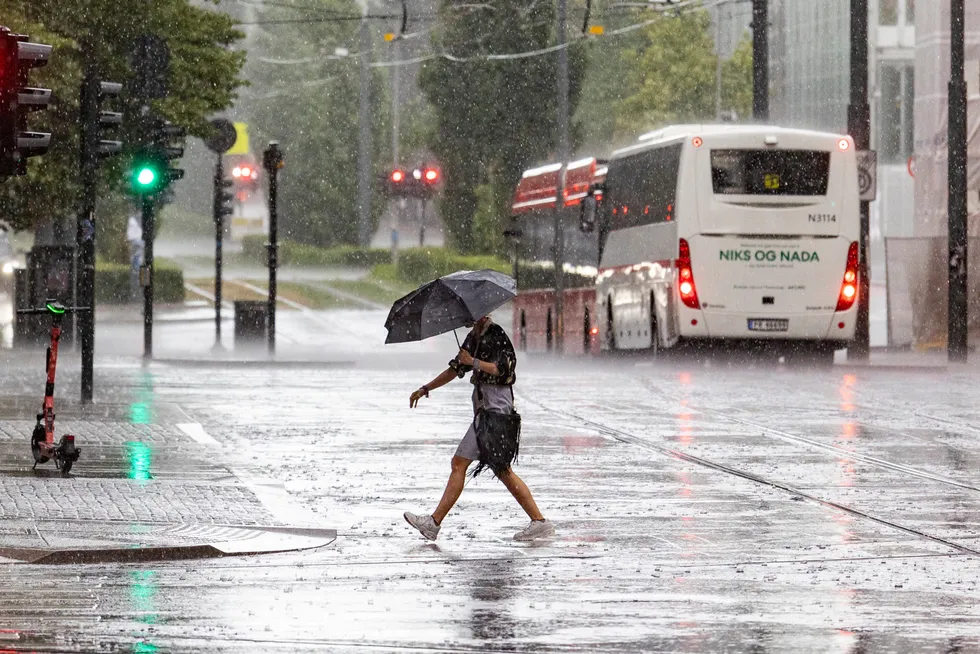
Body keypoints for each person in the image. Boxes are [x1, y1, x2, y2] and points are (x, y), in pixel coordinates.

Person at [404, 315, 555, 542]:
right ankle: (539, 522)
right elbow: (455, 369)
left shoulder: (497, 335)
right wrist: (425, 388)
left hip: (496, 414)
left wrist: (473, 361)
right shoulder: (473, 337)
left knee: (461, 463)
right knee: (501, 470)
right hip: (485, 413)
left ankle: (433, 523)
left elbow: (504, 369)